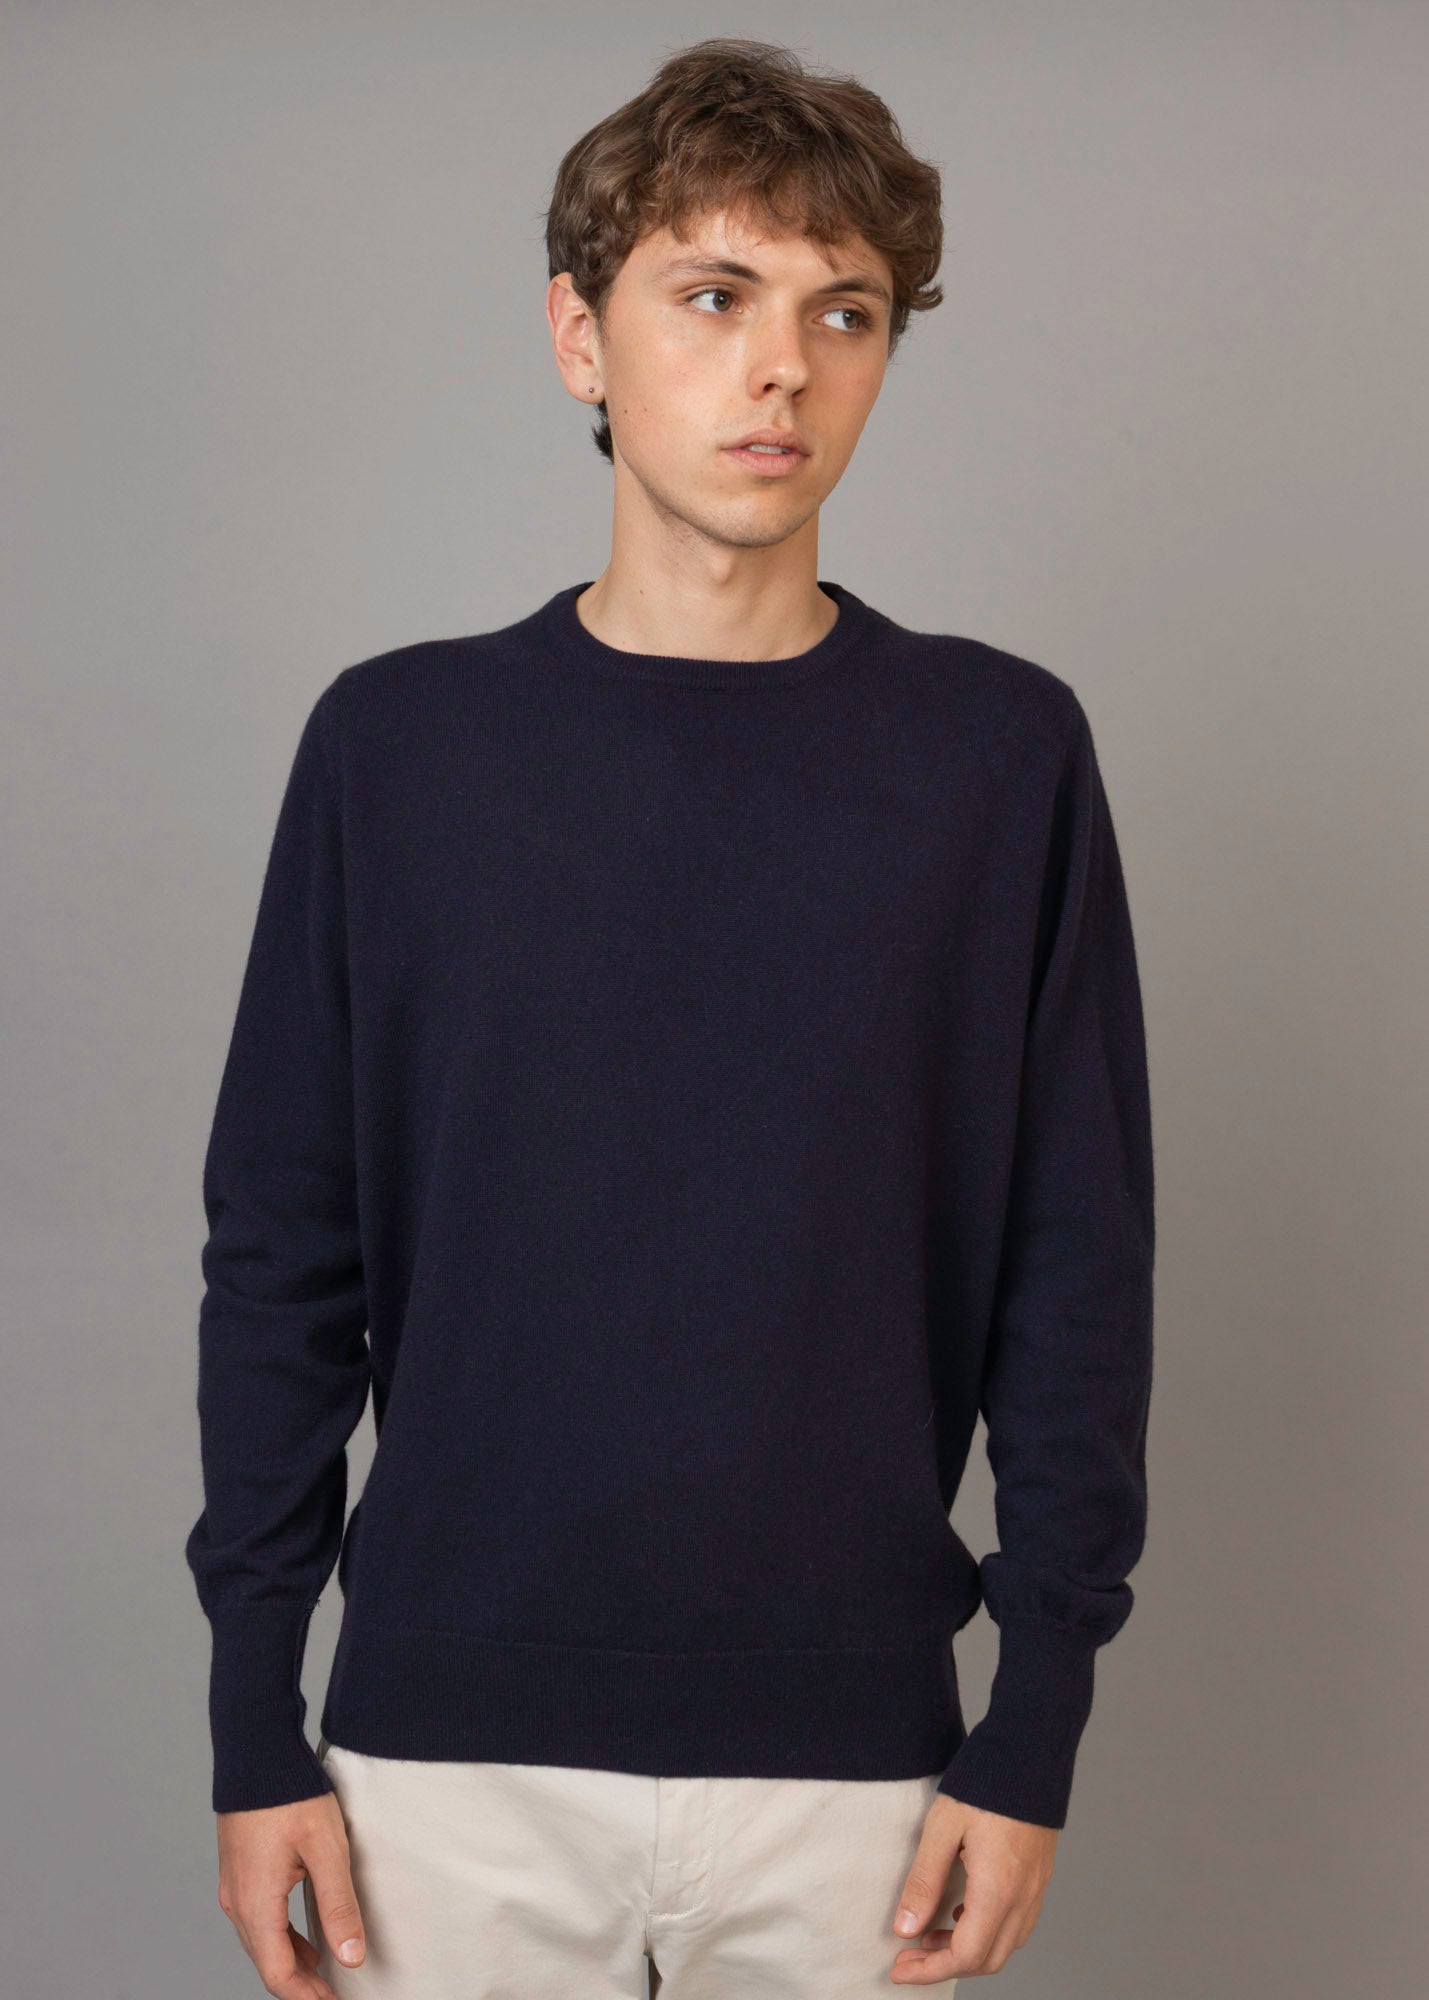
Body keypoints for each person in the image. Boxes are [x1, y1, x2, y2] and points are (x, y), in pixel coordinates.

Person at [185, 35, 1156, 1999]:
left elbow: (1076, 1268)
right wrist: (251, 1718)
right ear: (581, 335)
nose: (779, 367)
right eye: (713, 297)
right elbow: (285, 1254)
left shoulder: (997, 757)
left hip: (856, 1755)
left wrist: (1034, 1718)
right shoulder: (399, 749)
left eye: (842, 313)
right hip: (448, 1750)